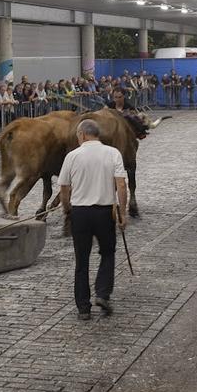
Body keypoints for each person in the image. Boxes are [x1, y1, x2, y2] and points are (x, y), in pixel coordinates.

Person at [59, 119, 128, 321]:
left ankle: (83, 308)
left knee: (81, 260)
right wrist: (122, 213)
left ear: (82, 134)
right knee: (107, 253)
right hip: (104, 212)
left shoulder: (72, 156)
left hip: (80, 212)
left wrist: (67, 209)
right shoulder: (113, 153)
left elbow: (64, 187)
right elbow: (121, 185)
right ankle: (102, 293)